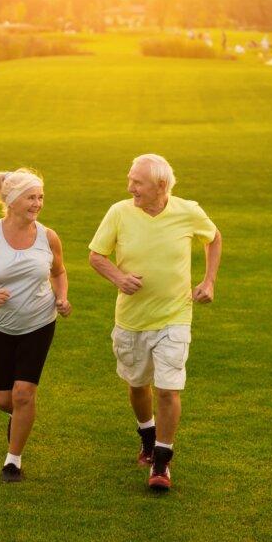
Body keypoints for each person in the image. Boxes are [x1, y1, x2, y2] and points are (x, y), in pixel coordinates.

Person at [88, 154, 221, 491]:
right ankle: (147, 434)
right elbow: (96, 256)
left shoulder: (188, 211)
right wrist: (119, 278)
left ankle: (161, 461)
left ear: (161, 185)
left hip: (175, 316)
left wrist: (209, 281)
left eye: (137, 182)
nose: (129, 187)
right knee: (137, 385)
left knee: (167, 389)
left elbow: (213, 237)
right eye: (130, 179)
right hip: (131, 320)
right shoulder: (119, 212)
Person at [0, 169, 71, 482]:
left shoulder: (48, 237)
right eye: (31, 198)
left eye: (40, 197)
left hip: (38, 323)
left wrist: (62, 297)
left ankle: (13, 461)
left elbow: (59, 272)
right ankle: (20, 415)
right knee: (4, 399)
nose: (37, 203)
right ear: (11, 201)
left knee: (24, 394)